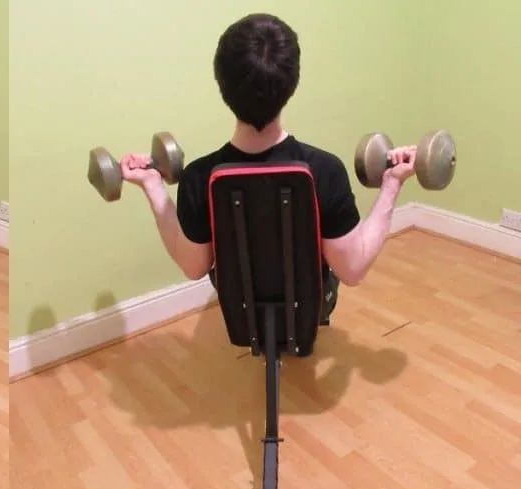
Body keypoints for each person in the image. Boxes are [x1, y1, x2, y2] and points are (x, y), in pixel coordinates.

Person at [120, 13, 417, 324]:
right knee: (337, 250)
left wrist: (154, 187)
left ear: (222, 84)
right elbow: (352, 270)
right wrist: (392, 183)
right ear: (293, 83)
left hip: (240, 311)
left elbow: (194, 267)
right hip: (313, 307)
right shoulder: (325, 170)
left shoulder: (198, 177)